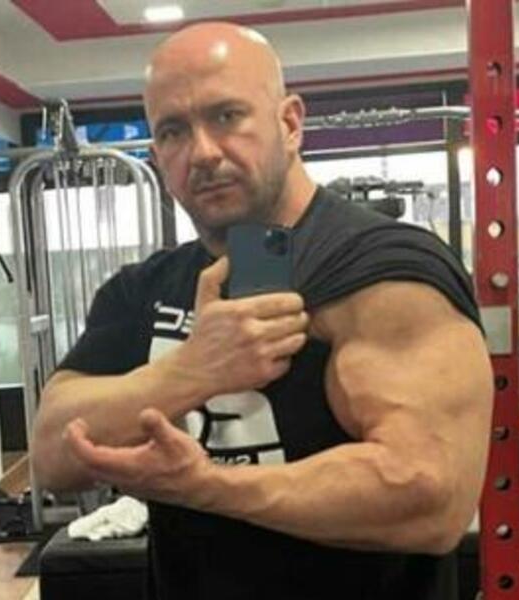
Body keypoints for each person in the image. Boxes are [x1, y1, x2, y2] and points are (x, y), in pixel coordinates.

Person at [32, 21, 493, 600]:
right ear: (157, 155)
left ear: (290, 123)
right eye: (174, 131)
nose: (203, 152)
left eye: (227, 116)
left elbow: (430, 497)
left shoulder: (384, 269)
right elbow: (53, 456)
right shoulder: (141, 289)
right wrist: (192, 372)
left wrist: (207, 487)